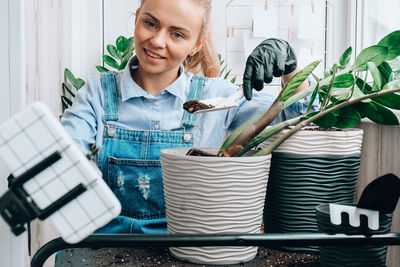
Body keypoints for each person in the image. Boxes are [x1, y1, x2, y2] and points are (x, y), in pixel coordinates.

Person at [61, 0, 316, 234]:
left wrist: (290, 69)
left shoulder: (220, 97)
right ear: (137, 18)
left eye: (177, 34)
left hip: (190, 249)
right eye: (150, 23)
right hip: (106, 249)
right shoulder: (96, 95)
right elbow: (63, 164)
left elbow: (298, 114)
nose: (158, 41)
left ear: (197, 44)